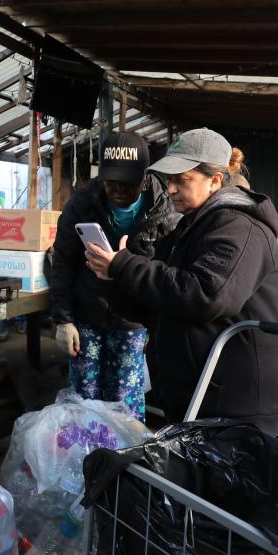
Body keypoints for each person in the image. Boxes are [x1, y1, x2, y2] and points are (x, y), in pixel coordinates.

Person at [85, 128, 278, 435]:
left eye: (182, 180)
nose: (170, 189)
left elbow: (205, 295)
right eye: (169, 180)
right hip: (199, 398)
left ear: (216, 180)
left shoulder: (240, 228)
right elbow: (160, 303)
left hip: (234, 408)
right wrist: (112, 277)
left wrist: (125, 266)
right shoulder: (192, 226)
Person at [50, 132, 176, 421]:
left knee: (125, 398)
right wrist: (64, 320)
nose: (118, 188)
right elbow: (63, 262)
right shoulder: (82, 202)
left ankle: (125, 461)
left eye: (127, 181)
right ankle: (85, 459)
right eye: (110, 180)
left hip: (133, 321)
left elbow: (167, 274)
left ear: (144, 177)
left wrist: (156, 326)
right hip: (87, 315)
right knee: (84, 394)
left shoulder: (165, 210)